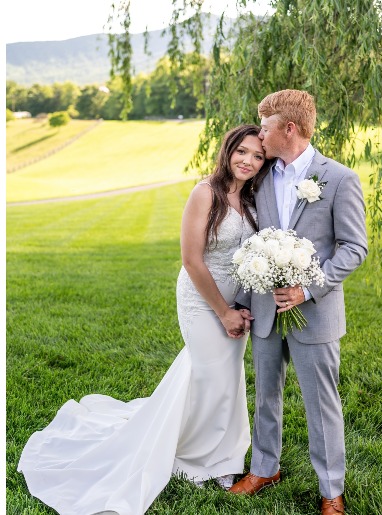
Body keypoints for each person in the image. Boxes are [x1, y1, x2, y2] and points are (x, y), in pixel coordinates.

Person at [17, 124, 269, 515]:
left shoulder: (253, 198)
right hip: (202, 300)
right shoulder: (206, 193)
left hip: (235, 302)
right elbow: (191, 259)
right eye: (243, 152)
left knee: (226, 375)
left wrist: (241, 304)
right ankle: (200, 459)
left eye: (258, 156)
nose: (248, 161)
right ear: (228, 150)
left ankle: (224, 454)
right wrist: (221, 310)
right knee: (210, 374)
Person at [229, 90, 368, 515]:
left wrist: (308, 289)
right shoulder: (261, 175)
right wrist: (240, 299)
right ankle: (264, 468)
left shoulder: (339, 178)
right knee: (265, 394)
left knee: (321, 403)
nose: (260, 136)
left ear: (289, 128)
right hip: (266, 310)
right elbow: (251, 239)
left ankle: (331, 490)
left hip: (316, 313)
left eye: (266, 128)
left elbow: (353, 247)